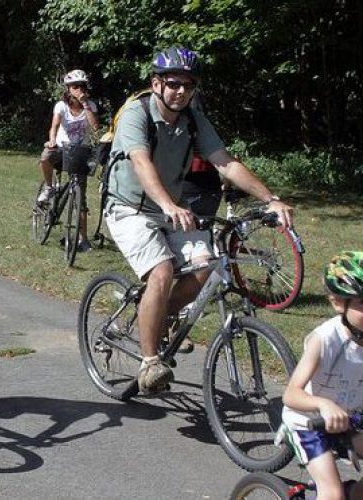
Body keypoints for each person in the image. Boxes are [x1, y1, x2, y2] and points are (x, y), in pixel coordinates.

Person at [104, 46, 293, 393]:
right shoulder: (137, 113)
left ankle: (161, 318)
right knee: (161, 271)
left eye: (188, 86)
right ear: (156, 83)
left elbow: (225, 162)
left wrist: (271, 200)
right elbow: (141, 162)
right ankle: (149, 364)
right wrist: (168, 204)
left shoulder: (191, 118)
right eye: (173, 83)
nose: (180, 91)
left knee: (206, 267)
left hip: (170, 207)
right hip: (129, 207)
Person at [282, 251, 363, 500]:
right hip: (309, 423)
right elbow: (291, 394)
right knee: (332, 494)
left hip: (350, 418)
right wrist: (323, 405)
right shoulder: (324, 339)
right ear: (339, 302)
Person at [36, 69, 100, 252]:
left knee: (81, 197)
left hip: (81, 152)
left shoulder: (91, 106)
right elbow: (54, 126)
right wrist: (52, 140)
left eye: (82, 86)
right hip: (62, 148)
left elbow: (95, 127)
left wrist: (85, 104)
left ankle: (83, 239)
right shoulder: (61, 106)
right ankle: (49, 188)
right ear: (68, 89)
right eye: (75, 86)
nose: (79, 89)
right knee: (45, 156)